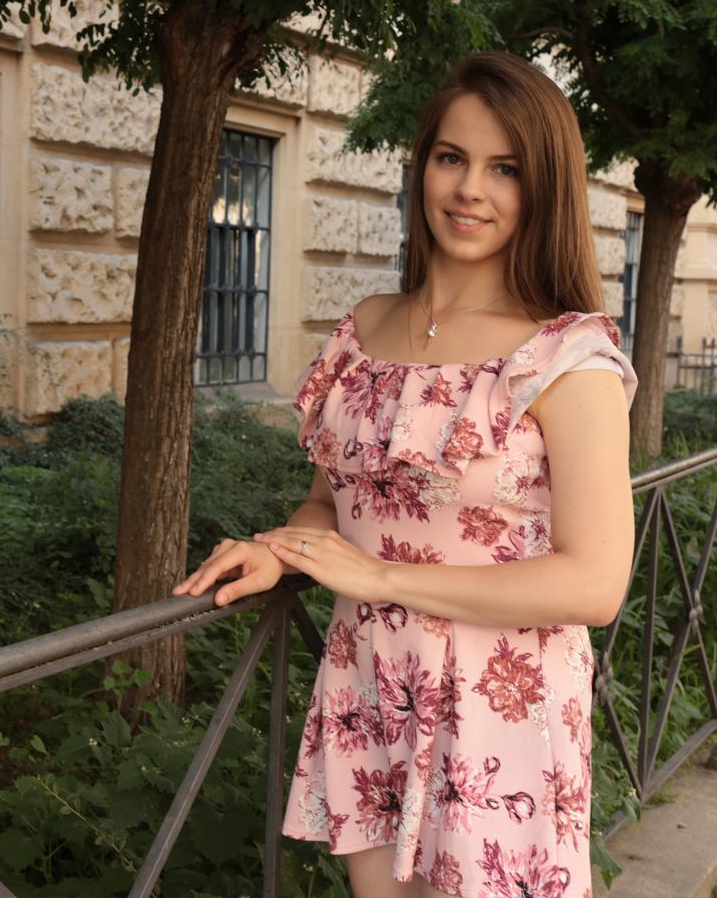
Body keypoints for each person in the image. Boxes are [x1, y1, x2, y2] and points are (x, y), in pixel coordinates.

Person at [173, 51, 638, 898]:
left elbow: (596, 583)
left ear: (545, 188)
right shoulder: (364, 331)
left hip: (502, 705)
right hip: (371, 684)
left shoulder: (566, 356)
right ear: (422, 164)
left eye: (506, 169)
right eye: (452, 157)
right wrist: (282, 548)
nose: (470, 190)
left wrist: (382, 578)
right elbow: (330, 502)